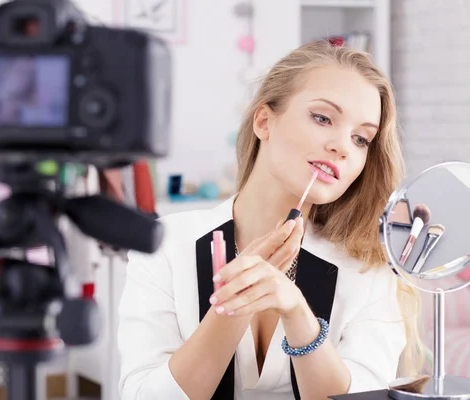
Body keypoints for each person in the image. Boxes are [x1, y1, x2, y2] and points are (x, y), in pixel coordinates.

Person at [117, 40, 424, 400]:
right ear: (264, 121)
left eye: (361, 138)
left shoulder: (368, 270)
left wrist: (298, 314)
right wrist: (233, 308)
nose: (342, 146)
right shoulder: (164, 245)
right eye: (323, 118)